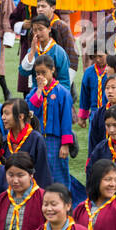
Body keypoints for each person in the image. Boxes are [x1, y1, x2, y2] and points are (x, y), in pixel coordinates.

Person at [26, 56, 74, 188]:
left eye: (43, 72)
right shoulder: (34, 93)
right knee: (38, 169)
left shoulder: (62, 93)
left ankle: (63, 200)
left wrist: (65, 145)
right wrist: (39, 91)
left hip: (56, 140)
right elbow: (29, 112)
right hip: (37, 137)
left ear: (52, 70)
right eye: (37, 73)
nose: (40, 76)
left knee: (58, 172)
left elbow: (66, 120)